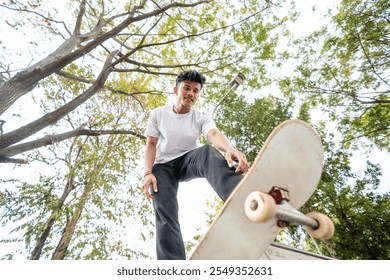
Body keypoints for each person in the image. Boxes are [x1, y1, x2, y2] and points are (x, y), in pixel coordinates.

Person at [143, 70, 249, 260]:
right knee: (165, 212)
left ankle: (241, 197)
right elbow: (151, 144)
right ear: (176, 90)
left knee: (207, 152)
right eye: (187, 88)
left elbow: (214, 134)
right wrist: (148, 173)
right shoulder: (158, 114)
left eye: (196, 91)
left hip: (188, 160)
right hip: (162, 167)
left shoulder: (201, 117)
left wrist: (230, 149)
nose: (191, 93)